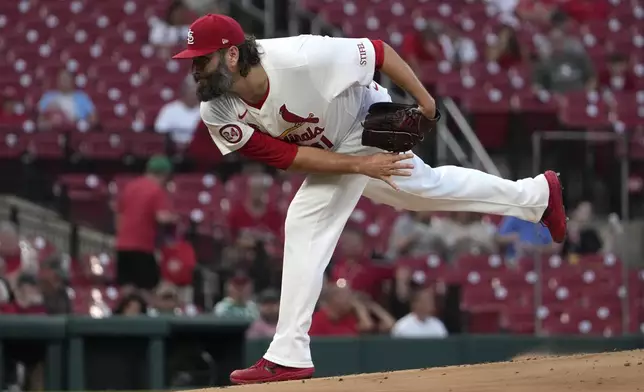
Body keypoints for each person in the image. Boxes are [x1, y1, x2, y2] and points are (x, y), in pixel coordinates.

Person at [171, 14, 566, 384]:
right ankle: (537, 196)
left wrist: (425, 102)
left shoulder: (302, 57)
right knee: (422, 192)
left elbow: (378, 51)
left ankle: (288, 352)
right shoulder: (216, 109)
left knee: (305, 219)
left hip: (364, 121)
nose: (193, 70)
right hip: (336, 148)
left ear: (232, 54)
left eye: (200, 61)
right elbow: (286, 158)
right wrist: (360, 167)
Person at [114, 155, 177, 296]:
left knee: (127, 290)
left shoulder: (130, 186)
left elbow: (119, 214)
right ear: (164, 175)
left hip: (122, 245)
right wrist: (176, 218)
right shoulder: (155, 190)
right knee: (147, 289)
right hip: (142, 246)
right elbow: (161, 217)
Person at [154, 75, 202, 145]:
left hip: (198, 150)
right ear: (184, 91)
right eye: (192, 92)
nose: (194, 96)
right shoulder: (169, 110)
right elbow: (160, 132)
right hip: (173, 150)